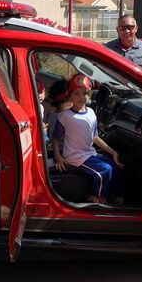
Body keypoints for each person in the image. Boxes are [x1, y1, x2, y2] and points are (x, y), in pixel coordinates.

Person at [52, 73, 124, 205]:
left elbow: (95, 137)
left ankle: (109, 193)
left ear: (89, 94)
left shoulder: (91, 112)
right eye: (76, 94)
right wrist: (58, 156)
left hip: (89, 153)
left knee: (114, 165)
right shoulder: (65, 116)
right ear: (69, 96)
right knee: (105, 169)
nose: (81, 97)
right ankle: (97, 197)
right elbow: (55, 138)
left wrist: (113, 152)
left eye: (84, 93)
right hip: (75, 156)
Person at [105, 15, 142, 80]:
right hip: (114, 88)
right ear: (117, 29)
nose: (126, 31)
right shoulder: (108, 49)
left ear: (136, 28)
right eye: (122, 27)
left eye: (130, 27)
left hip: (139, 89)